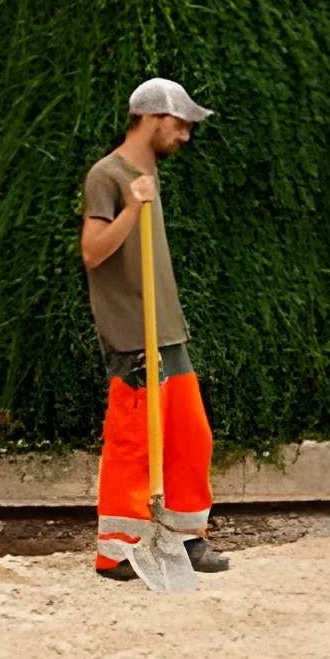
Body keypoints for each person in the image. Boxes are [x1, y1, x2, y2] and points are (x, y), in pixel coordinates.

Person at [78, 78, 226, 582]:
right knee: (133, 441)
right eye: (180, 124)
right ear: (154, 118)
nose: (185, 135)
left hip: (166, 330)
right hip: (131, 335)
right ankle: (116, 550)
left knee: (191, 437)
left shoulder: (147, 172)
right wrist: (134, 207)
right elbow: (93, 252)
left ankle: (186, 538)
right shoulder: (108, 175)